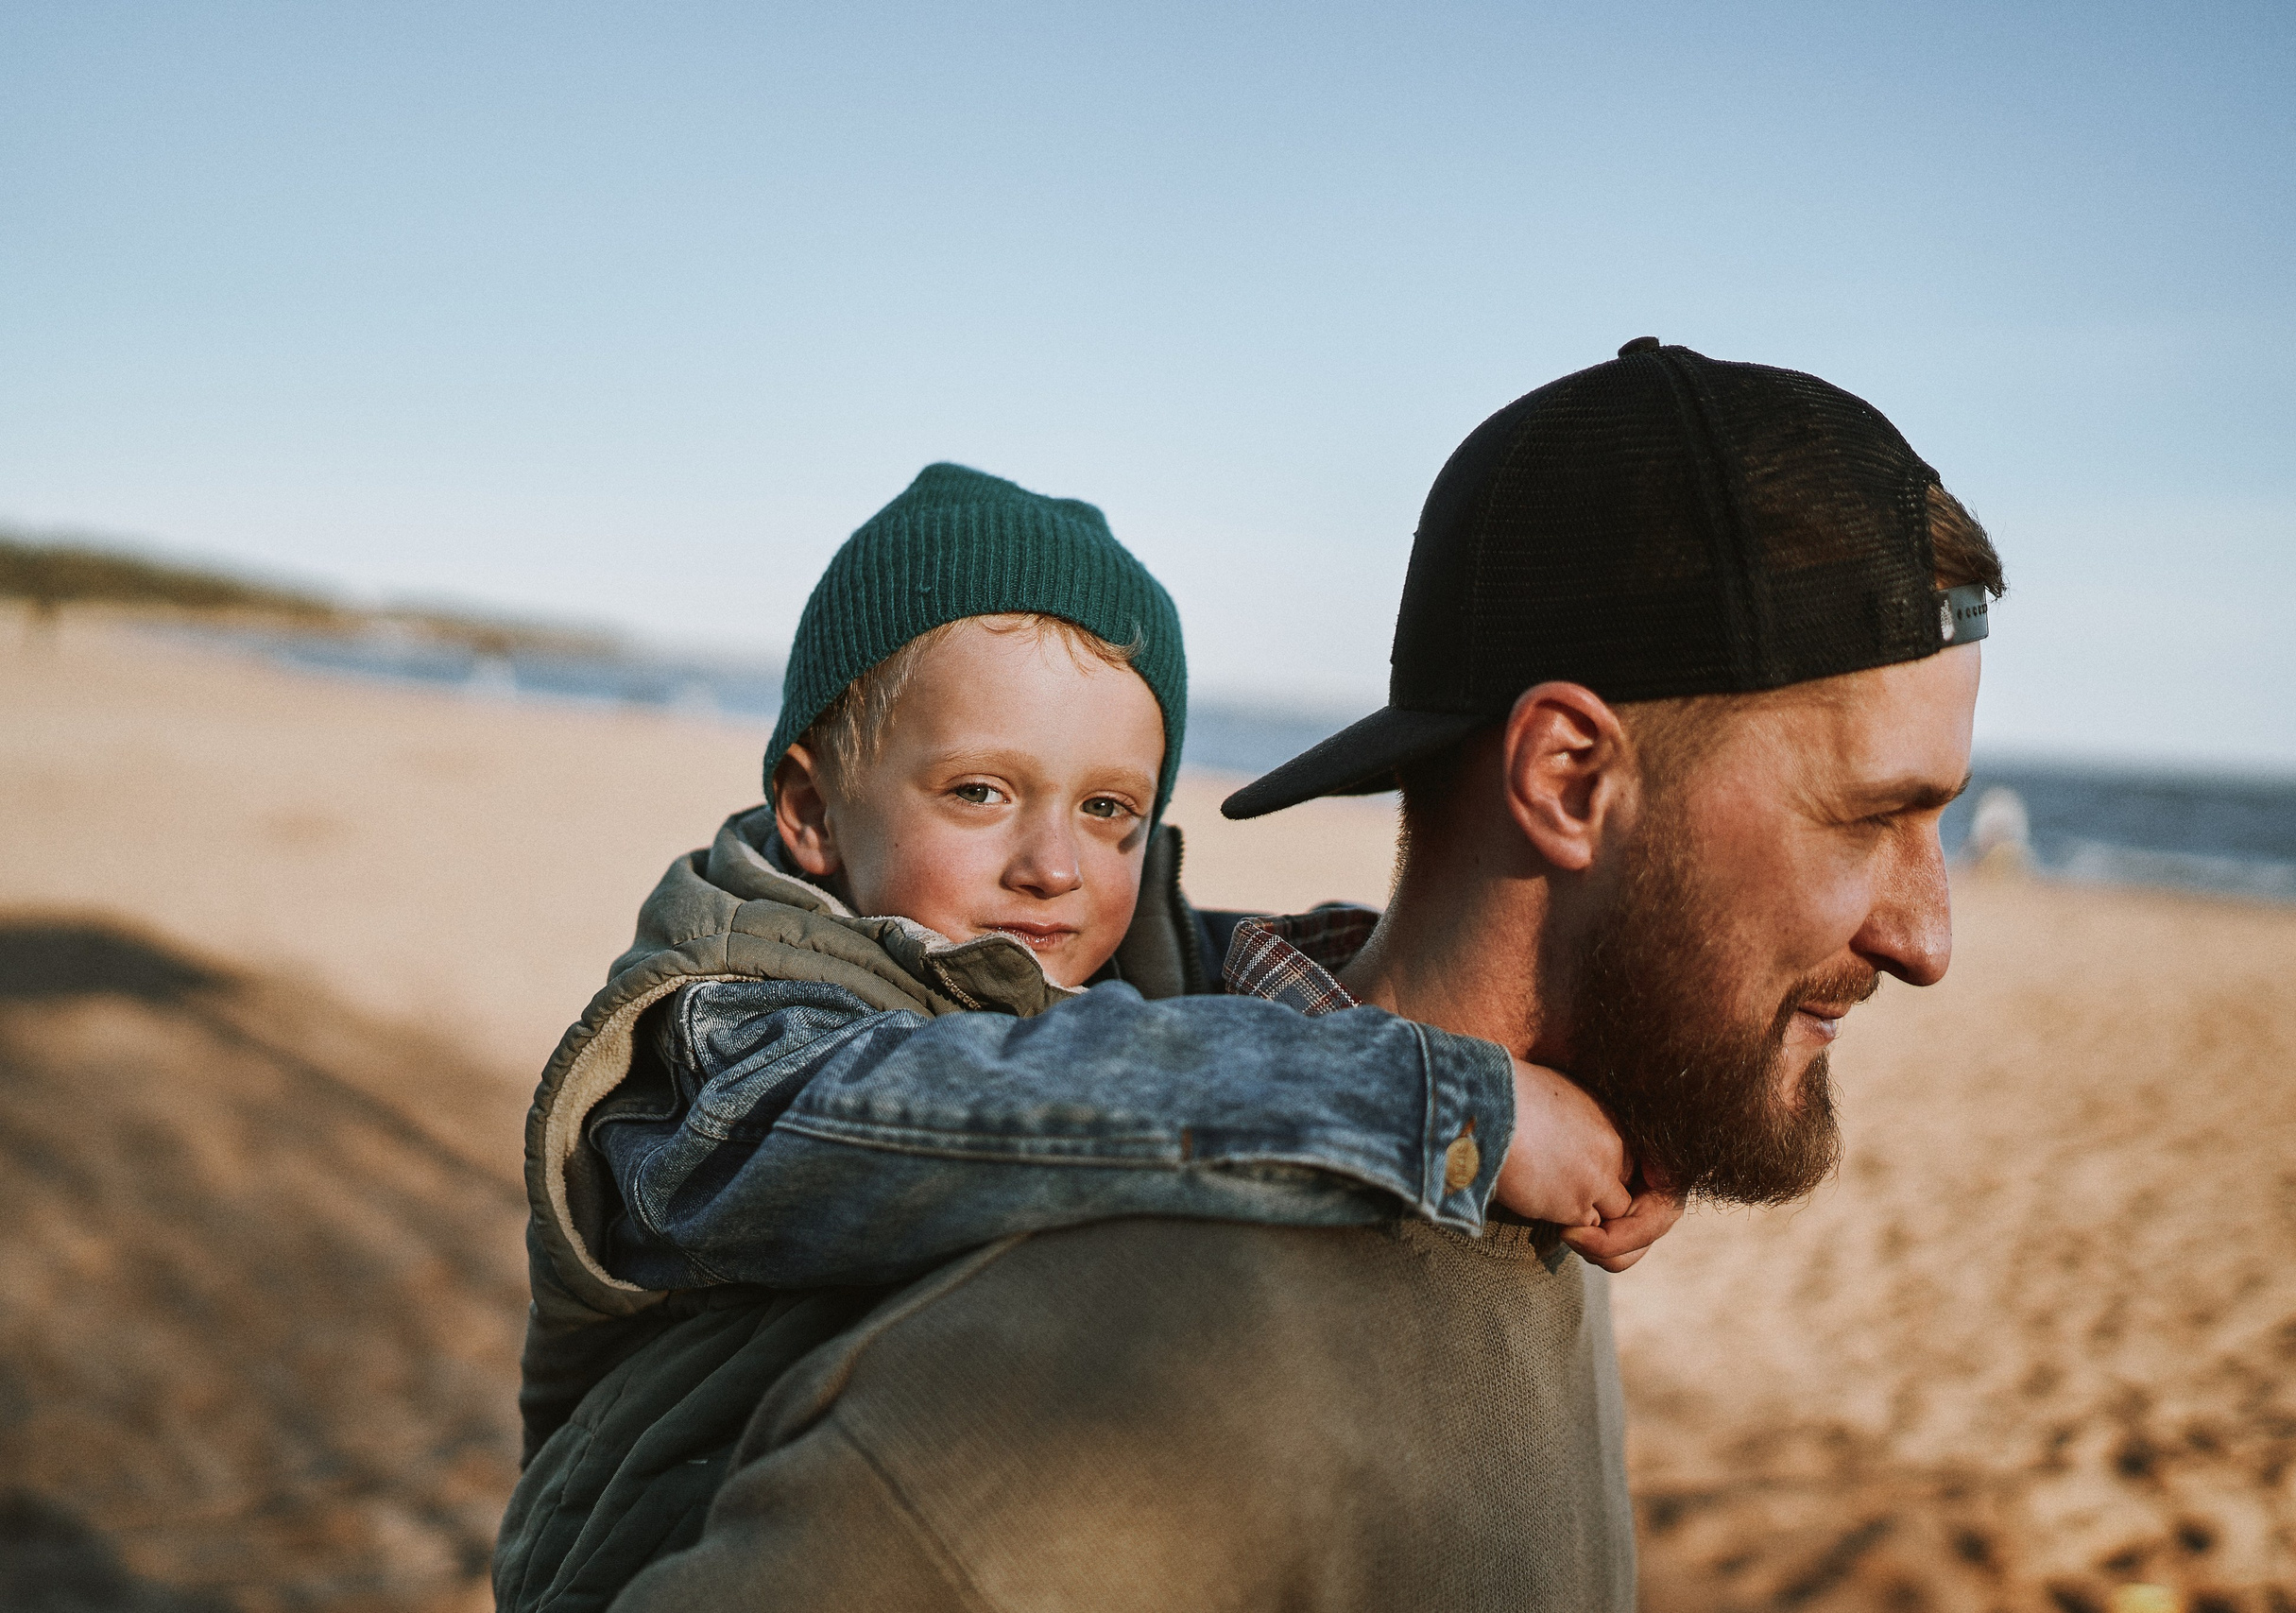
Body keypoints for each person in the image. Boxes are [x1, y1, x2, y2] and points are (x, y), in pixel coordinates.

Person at [597, 338, 2006, 1611]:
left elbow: (1181, 1008)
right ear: (1566, 776)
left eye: (1110, 811)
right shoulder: (1110, 1374)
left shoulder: (1541, 1176)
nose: (1928, 936)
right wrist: (1446, 1101)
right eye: (1873, 812)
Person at [494, 463, 1662, 1604]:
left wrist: (1569, 1081)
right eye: (980, 793)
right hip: (665, 1558)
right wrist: (1442, 1108)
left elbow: (1266, 985)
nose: (1053, 866)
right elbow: (967, 1104)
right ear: (810, 812)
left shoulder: (1093, 955)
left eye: (1109, 811)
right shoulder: (724, 1039)